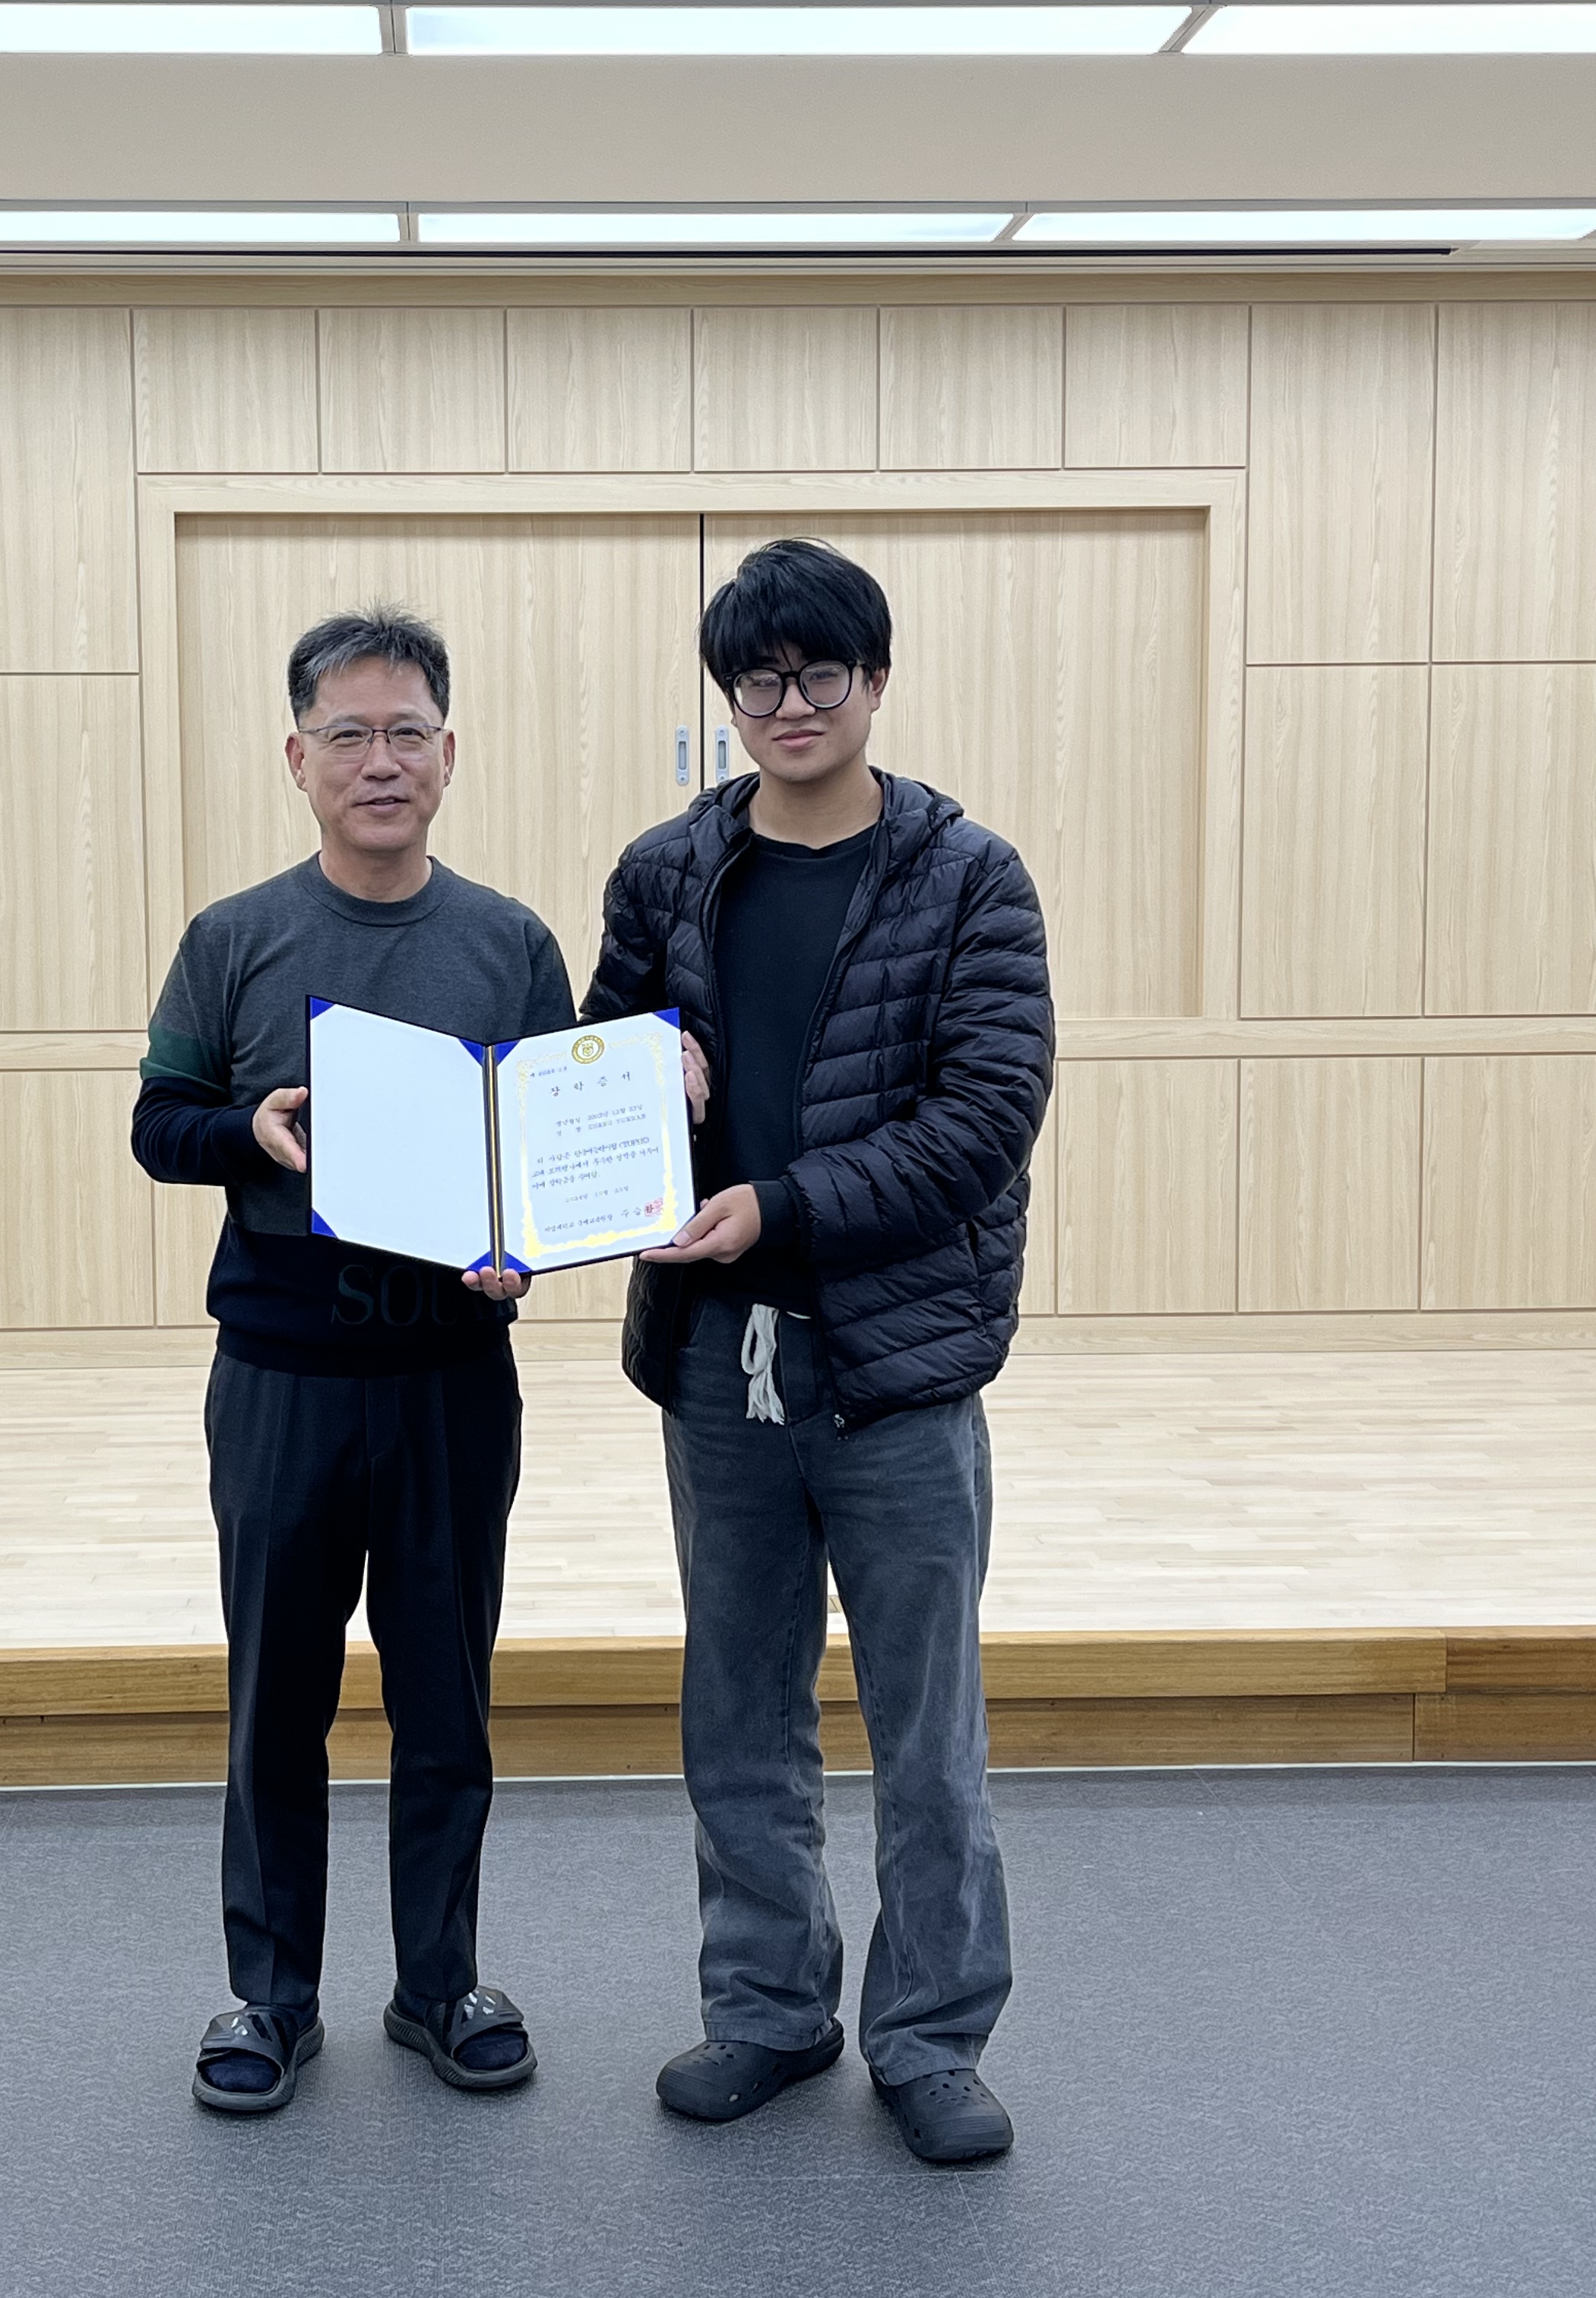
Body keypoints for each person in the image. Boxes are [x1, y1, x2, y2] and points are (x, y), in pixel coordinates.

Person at [581, 540, 1054, 2166]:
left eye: (820, 674)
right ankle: (770, 2011)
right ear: (730, 698)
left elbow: (982, 1125)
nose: (789, 706)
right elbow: (597, 1075)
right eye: (757, 682)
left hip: (898, 1368)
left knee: (926, 1734)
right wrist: (642, 1069)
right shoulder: (666, 870)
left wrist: (776, 1207)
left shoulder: (969, 878)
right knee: (737, 1716)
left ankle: (930, 2038)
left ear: (876, 679)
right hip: (715, 1363)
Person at [131, 606, 575, 2116]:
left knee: (447, 1698)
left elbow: (546, 1159)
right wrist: (245, 1130)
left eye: (406, 734)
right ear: (297, 758)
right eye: (349, 735)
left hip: (452, 1380)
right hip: (282, 1380)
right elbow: (158, 1123)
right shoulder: (234, 938)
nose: (380, 762)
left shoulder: (511, 943)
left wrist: (530, 1245)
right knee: (278, 1700)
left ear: (449, 755)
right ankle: (270, 1996)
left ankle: (440, 1984)